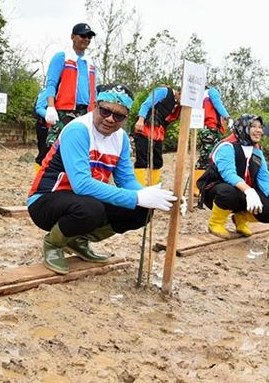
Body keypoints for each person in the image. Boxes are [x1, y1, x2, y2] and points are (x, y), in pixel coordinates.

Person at [27, 84, 177, 274]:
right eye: (105, 111)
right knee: (91, 208)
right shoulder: (78, 130)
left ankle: (77, 239)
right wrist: (136, 197)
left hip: (83, 200)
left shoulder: (121, 138)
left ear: (126, 117)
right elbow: (82, 185)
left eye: (119, 116)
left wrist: (154, 196)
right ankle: (54, 243)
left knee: (141, 211)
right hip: (46, 200)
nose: (110, 119)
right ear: (95, 106)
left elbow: (126, 180)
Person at [197, 114, 269, 238]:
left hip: (244, 193)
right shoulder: (227, 146)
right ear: (243, 127)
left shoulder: (257, 151)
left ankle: (241, 218)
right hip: (217, 190)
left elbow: (264, 177)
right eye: (253, 126)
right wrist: (248, 191)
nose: (259, 130)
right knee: (227, 192)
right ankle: (216, 223)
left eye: (260, 127)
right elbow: (228, 174)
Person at [43, 23, 98, 147]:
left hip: (86, 111)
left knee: (81, 145)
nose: (86, 39)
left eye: (89, 36)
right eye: (82, 35)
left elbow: (94, 90)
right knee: (56, 144)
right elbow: (51, 83)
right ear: (73, 36)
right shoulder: (63, 57)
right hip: (64, 109)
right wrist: (50, 106)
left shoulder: (91, 63)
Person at [132, 85, 181, 186]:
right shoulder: (163, 91)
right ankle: (139, 186)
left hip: (158, 132)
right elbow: (147, 104)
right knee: (142, 159)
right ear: (179, 93)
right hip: (145, 127)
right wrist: (141, 119)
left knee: (157, 161)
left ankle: (154, 186)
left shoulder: (177, 104)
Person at [193, 86, 232, 195]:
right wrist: (227, 117)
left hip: (207, 128)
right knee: (206, 158)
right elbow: (217, 103)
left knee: (205, 157)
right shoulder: (212, 91)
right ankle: (198, 188)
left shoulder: (202, 97)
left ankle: (201, 187)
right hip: (210, 129)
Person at [33, 89, 50, 172]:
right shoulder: (47, 92)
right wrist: (49, 115)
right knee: (43, 154)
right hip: (44, 127)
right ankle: (38, 177)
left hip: (56, 128)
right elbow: (39, 108)